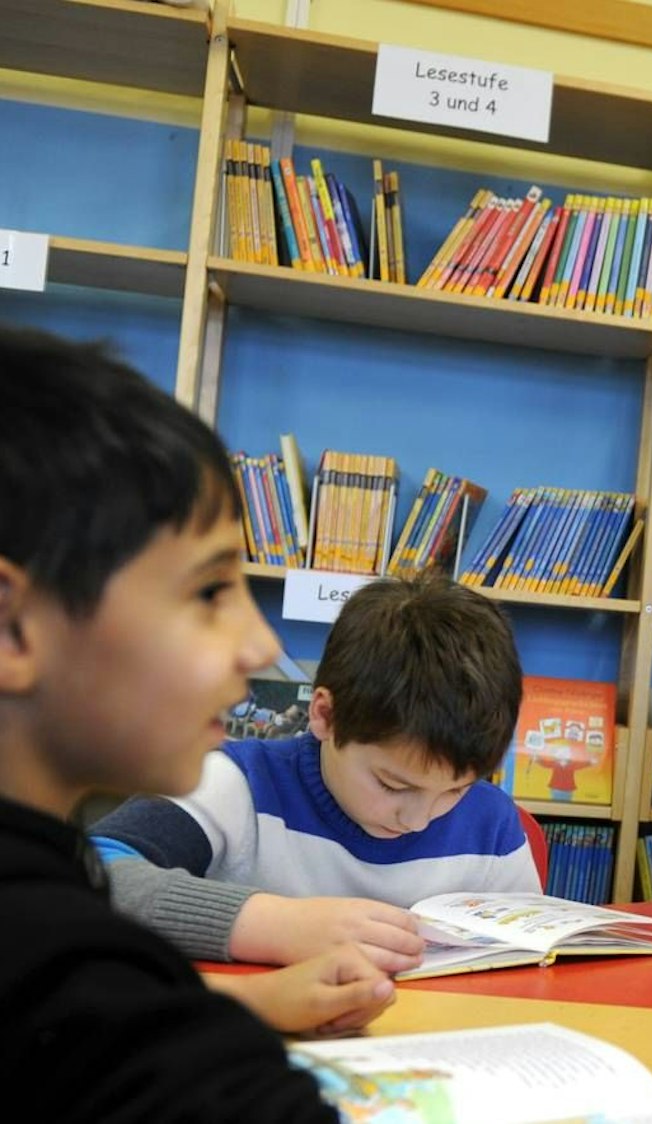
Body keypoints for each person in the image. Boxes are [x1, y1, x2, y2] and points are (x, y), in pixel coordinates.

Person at [0, 325, 391, 1118]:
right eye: (211, 590)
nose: (262, 645)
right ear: (12, 629)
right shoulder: (55, 956)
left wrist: (238, 1005)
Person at [92, 571, 539, 973]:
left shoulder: (492, 825)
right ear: (325, 715)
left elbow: (529, 959)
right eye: (393, 784)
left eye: (456, 790)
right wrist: (275, 924)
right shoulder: (233, 783)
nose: (419, 819)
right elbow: (89, 874)